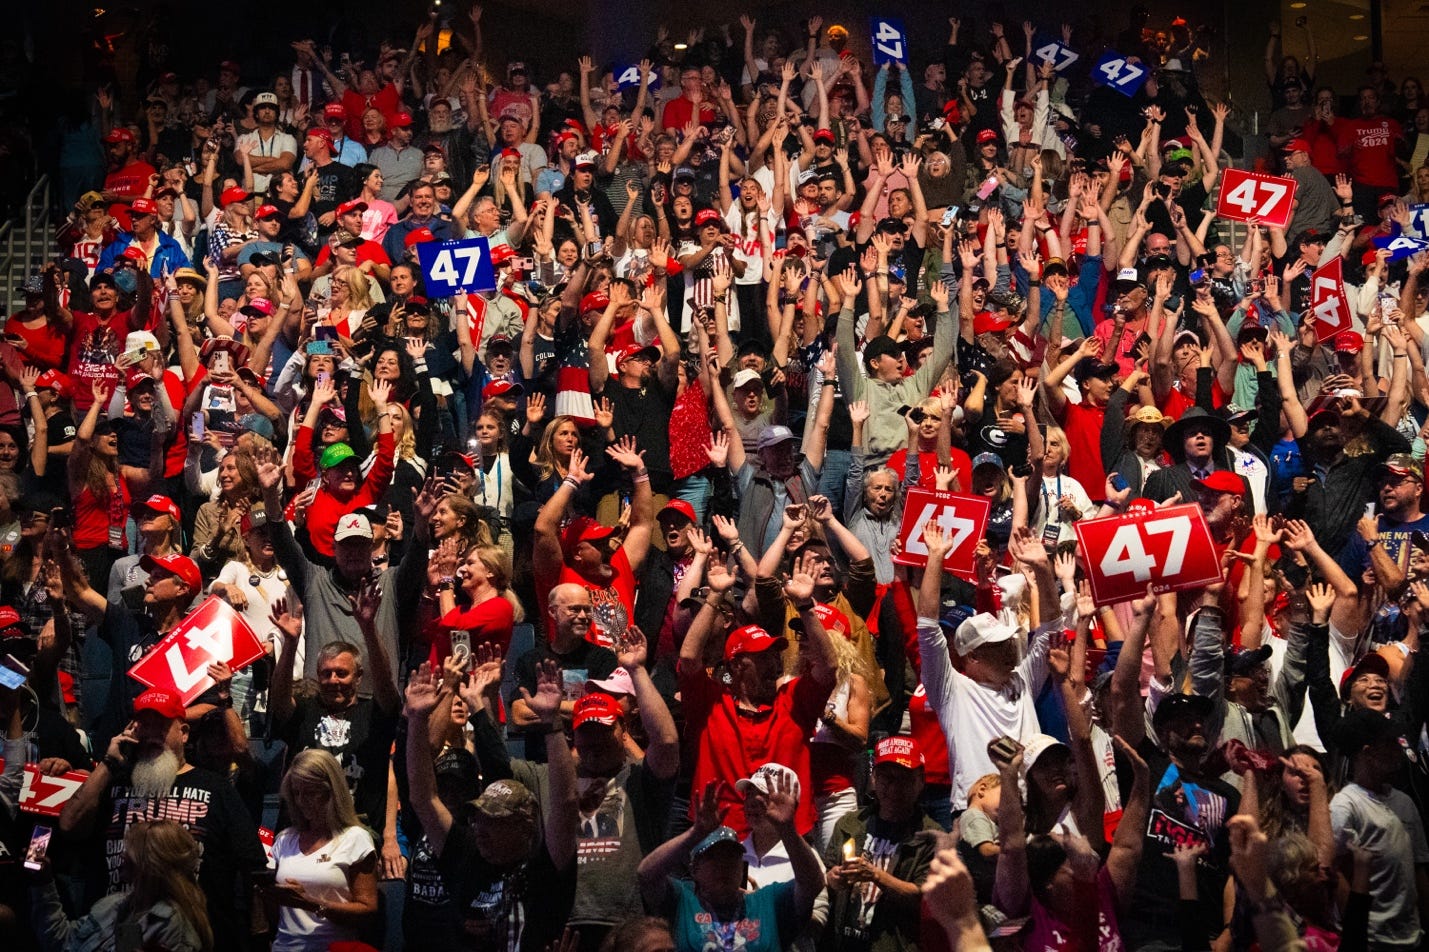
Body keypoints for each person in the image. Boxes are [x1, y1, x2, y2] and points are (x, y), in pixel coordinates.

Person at [57, 688, 265, 952]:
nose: (152, 735)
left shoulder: (216, 788)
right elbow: (69, 825)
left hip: (193, 933)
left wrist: (259, 934)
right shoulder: (114, 782)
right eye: (145, 725)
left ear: (184, 733)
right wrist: (108, 763)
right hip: (123, 931)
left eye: (162, 726)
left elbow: (252, 864)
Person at [404, 657, 579, 951]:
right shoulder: (466, 855)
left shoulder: (545, 869)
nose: (480, 829)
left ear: (525, 825)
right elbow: (423, 796)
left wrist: (552, 725)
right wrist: (418, 721)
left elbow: (566, 803)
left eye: (494, 821)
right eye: (478, 818)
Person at [30, 820, 214, 952]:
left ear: (150, 864)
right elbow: (62, 942)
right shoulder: (116, 905)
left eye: (131, 851)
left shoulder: (172, 928)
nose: (123, 856)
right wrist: (43, 882)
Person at [267, 749, 379, 951]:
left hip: (333, 947)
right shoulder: (285, 839)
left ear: (331, 792)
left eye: (310, 793)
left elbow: (368, 911)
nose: (301, 801)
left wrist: (310, 903)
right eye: (296, 793)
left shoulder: (355, 839)